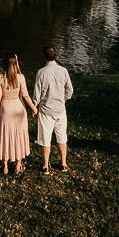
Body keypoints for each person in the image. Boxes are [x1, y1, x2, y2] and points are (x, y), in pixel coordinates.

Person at [33, 45, 73, 174]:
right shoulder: (63, 70)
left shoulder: (41, 72)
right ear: (55, 55)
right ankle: (63, 164)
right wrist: (64, 99)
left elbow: (37, 94)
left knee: (45, 139)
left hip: (45, 111)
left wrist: (34, 108)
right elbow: (70, 90)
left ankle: (45, 166)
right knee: (62, 137)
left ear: (44, 57)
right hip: (60, 110)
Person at [0, 53, 37, 175]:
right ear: (16, 64)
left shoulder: (0, 78)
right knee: (19, 136)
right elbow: (25, 95)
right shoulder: (21, 77)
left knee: (5, 136)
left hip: (6, 110)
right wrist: (34, 109)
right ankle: (18, 164)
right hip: (19, 110)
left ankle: (5, 166)